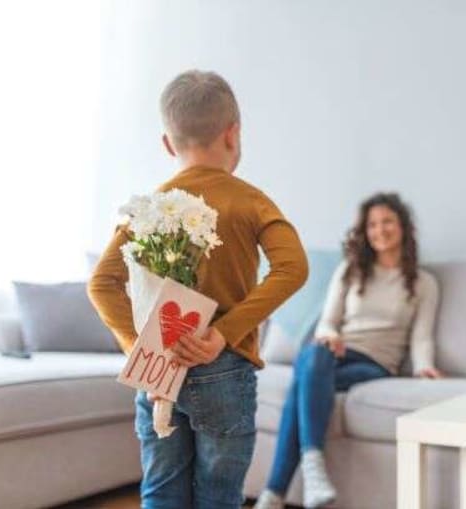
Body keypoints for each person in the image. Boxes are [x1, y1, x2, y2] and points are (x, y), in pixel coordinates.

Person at [88, 69, 308, 509]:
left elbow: (102, 282)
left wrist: (141, 350)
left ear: (169, 144)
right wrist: (223, 333)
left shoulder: (151, 205)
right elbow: (293, 267)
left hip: (157, 373)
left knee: (160, 494)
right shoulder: (251, 200)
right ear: (234, 133)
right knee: (219, 498)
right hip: (224, 369)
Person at [255, 193, 441, 509]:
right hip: (337, 352)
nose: (380, 230)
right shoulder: (350, 271)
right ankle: (311, 468)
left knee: (302, 383)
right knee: (314, 355)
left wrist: (425, 367)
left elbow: (422, 337)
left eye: (387, 222)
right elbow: (328, 322)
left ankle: (274, 494)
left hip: (376, 364)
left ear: (402, 227)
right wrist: (329, 337)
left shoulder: (423, 283)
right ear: (365, 232)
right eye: (372, 224)